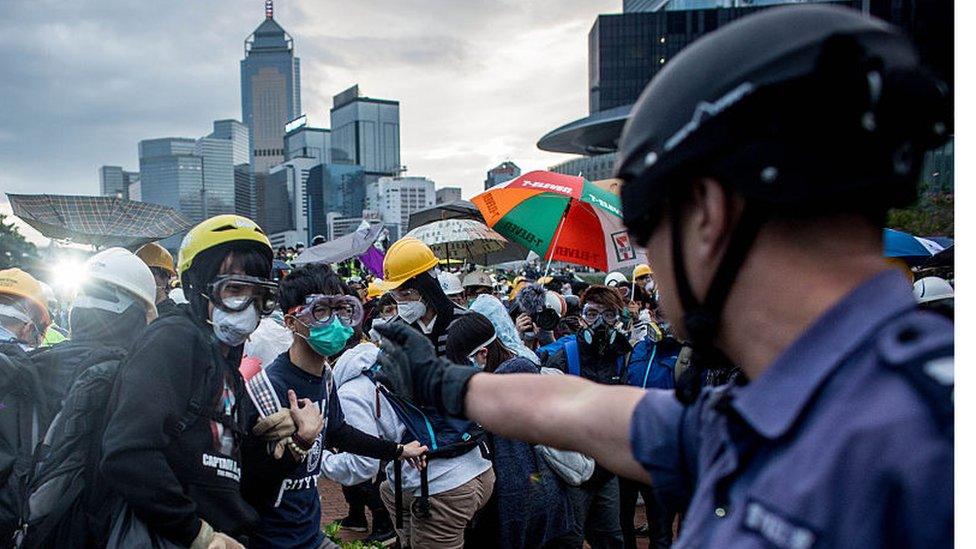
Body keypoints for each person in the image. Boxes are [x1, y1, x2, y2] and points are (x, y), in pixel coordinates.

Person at [369, 6, 952, 548]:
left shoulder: (926, 437)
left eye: (647, 221)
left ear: (707, 213)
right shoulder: (788, 404)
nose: (643, 251)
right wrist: (451, 384)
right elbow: (584, 412)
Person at [99, 215, 323, 548]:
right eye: (234, 289)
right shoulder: (173, 339)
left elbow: (245, 485)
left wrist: (295, 444)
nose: (249, 306)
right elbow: (129, 454)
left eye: (258, 294)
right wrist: (196, 534)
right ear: (196, 287)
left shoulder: (228, 369)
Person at [242, 263, 426, 549]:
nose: (336, 323)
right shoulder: (267, 389)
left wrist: (398, 451)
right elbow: (250, 483)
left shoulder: (326, 376)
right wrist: (301, 442)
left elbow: (338, 431)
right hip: (271, 540)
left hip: (309, 533)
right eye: (321, 311)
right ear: (291, 322)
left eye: (342, 310)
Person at [445, 312, 574, 549]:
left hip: (524, 505)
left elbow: (515, 466)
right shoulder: (515, 373)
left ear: (482, 354)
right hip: (544, 499)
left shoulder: (504, 383)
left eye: (463, 363)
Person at [543, 285, 630, 548]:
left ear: (619, 318)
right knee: (570, 537)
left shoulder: (621, 357)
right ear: (582, 317)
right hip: (573, 466)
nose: (601, 322)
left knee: (611, 536)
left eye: (609, 315)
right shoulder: (564, 357)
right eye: (593, 314)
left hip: (606, 466)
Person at [136, 241, 180, 317]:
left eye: (150, 274)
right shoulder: (137, 313)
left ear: (165, 278)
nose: (143, 280)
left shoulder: (171, 316)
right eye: (139, 275)